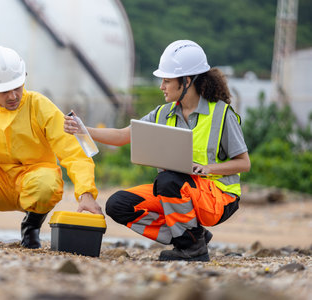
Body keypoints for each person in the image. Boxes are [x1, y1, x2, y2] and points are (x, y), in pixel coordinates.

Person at [64, 40, 251, 261]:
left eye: (167, 80)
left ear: (187, 81)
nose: (162, 86)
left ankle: (193, 250)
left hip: (219, 197)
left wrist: (208, 168)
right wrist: (83, 129)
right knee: (118, 205)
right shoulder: (162, 113)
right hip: (177, 191)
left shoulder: (222, 114)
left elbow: (244, 163)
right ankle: (192, 237)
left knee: (168, 180)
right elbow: (124, 136)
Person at [0, 46, 102, 248]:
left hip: (30, 183)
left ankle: (31, 228)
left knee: (48, 182)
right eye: (4, 91)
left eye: (17, 87)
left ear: (24, 77)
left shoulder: (40, 106)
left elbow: (73, 151)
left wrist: (86, 193)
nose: (13, 96)